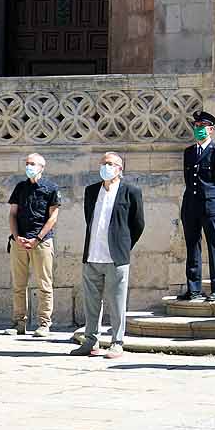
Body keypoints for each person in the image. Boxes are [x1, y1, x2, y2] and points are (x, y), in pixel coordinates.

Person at [72, 152, 144, 359]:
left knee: (116, 301)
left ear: (120, 169)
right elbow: (90, 219)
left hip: (116, 257)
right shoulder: (92, 191)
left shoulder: (131, 191)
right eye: (103, 163)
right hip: (93, 254)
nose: (106, 167)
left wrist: (123, 246)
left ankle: (117, 342)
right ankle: (90, 341)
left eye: (110, 164)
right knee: (91, 301)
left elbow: (138, 224)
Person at [179, 109, 215, 302]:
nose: (199, 129)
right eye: (197, 126)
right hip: (191, 205)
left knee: (214, 245)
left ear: (211, 130)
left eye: (203, 127)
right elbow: (188, 179)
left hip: (210, 204)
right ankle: (193, 288)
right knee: (192, 245)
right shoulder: (189, 152)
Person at [6, 151, 61, 337]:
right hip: (19, 242)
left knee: (44, 284)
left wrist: (37, 238)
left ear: (42, 168)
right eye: (27, 163)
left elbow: (53, 217)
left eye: (33, 164)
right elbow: (13, 213)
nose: (29, 166)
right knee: (18, 284)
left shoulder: (51, 188)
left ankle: (44, 324)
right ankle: (18, 322)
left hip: (42, 242)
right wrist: (16, 236)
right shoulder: (20, 187)